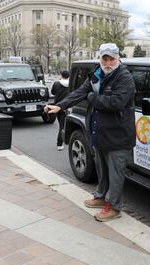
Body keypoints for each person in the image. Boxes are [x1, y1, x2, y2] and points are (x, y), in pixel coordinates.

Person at [44, 43, 136, 222]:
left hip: (119, 135)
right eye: (105, 59)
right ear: (100, 58)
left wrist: (92, 97)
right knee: (102, 169)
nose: (108, 63)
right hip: (99, 132)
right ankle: (101, 197)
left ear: (118, 58)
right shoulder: (96, 73)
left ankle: (114, 207)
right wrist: (59, 106)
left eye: (112, 59)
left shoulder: (124, 77)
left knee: (116, 174)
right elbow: (80, 92)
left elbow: (114, 103)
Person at [51, 70, 70, 151]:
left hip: (58, 107)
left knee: (61, 126)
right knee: (65, 125)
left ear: (61, 75)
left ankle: (59, 144)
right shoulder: (71, 84)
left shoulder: (56, 83)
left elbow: (53, 92)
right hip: (68, 107)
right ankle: (65, 141)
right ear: (69, 76)